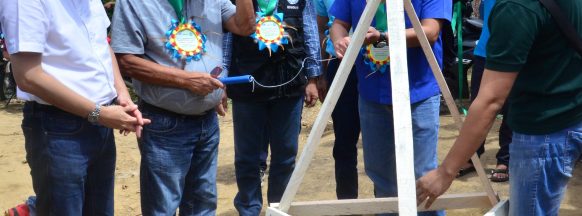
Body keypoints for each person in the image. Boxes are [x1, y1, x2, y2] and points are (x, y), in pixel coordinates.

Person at [416, 0, 582, 215]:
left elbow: (490, 100)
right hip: (568, 118)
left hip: (543, 135)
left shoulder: (516, 7)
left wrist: (445, 172)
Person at [0, 0, 149, 215]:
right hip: (57, 127)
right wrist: (100, 114)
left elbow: (101, 44)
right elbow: (28, 76)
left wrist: (122, 95)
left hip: (100, 123)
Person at [110, 0, 255, 215]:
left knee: (202, 204)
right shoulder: (136, 2)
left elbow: (245, 26)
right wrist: (186, 80)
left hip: (207, 121)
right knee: (163, 207)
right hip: (163, 123)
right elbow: (126, 61)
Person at [330, 0, 451, 215]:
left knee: (422, 176)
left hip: (418, 93)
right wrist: (339, 40)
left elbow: (430, 31)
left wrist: (384, 37)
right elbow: (339, 22)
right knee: (381, 176)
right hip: (372, 94)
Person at [225, 0, 321, 214]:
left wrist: (313, 76)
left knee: (286, 155)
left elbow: (311, 32)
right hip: (246, 84)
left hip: (289, 83)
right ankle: (249, 209)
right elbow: (226, 37)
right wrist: (222, 77)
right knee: (247, 157)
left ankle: (279, 208)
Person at [313, 0, 361, 199]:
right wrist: (321, 74)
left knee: (386, 140)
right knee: (344, 142)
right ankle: (347, 203)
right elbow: (320, 26)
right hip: (341, 67)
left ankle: (388, 204)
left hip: (382, 67)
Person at [467, 0, 511, 182]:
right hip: (484, 51)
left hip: (513, 52)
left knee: (510, 109)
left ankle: (506, 159)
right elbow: (484, 14)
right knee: (477, 105)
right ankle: (472, 155)